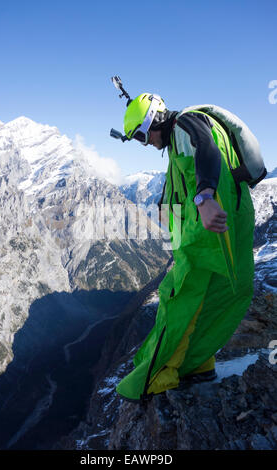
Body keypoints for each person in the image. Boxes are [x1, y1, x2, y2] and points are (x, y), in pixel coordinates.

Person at [113, 92, 256, 403]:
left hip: (210, 228)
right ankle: (196, 363)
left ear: (155, 118)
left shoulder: (186, 124)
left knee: (180, 301)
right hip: (207, 233)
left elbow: (208, 151)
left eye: (141, 133)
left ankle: (157, 374)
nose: (144, 142)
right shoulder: (177, 141)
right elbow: (178, 182)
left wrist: (204, 198)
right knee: (206, 296)